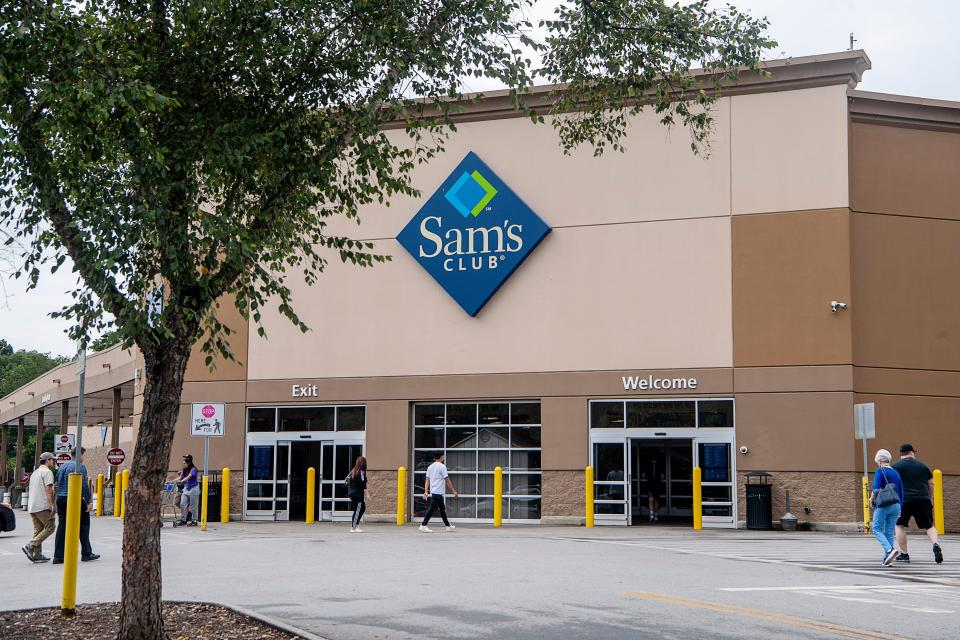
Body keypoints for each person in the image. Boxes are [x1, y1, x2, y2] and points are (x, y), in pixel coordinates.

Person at [892, 444, 944, 564]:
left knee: (899, 525)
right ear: (911, 452)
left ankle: (904, 554)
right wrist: (930, 498)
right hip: (923, 499)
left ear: (901, 454)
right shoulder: (922, 465)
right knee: (929, 526)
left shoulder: (895, 467)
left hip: (904, 500)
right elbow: (931, 483)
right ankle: (935, 544)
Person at [53, 448, 99, 564]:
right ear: (80, 455)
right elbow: (83, 485)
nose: (83, 458)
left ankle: (58, 556)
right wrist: (89, 501)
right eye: (83, 455)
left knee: (62, 526)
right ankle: (86, 553)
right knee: (84, 524)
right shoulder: (80, 466)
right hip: (73, 498)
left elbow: (57, 483)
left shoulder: (62, 466)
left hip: (61, 498)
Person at [870, 449, 904, 566]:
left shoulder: (880, 470)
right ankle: (887, 558)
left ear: (879, 460)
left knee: (876, 528)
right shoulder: (896, 472)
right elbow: (901, 491)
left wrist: (871, 500)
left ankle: (889, 550)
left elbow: (876, 488)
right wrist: (900, 506)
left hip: (884, 504)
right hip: (896, 505)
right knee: (889, 531)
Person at [23, 452, 57, 563]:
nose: (54, 462)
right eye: (52, 460)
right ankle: (31, 545)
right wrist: (52, 504)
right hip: (42, 505)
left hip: (32, 505)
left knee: (38, 530)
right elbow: (48, 489)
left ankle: (37, 555)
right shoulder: (47, 472)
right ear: (47, 460)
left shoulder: (35, 473)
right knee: (50, 527)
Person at [419, 452, 458, 533]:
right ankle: (423, 525)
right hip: (438, 492)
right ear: (440, 457)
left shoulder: (430, 467)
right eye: (443, 456)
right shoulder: (442, 466)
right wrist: (453, 490)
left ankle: (448, 526)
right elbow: (447, 480)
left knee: (442, 509)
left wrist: (426, 491)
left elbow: (427, 480)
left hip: (434, 492)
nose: (443, 458)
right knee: (432, 509)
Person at [175, 454, 200, 526]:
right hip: (186, 489)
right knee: (182, 504)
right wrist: (170, 481)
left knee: (193, 506)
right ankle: (183, 520)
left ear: (188, 462)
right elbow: (180, 477)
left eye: (184, 463)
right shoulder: (184, 469)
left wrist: (182, 481)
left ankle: (194, 521)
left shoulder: (193, 469)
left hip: (193, 489)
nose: (183, 464)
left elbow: (189, 477)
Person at [346, 455, 368, 532]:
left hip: (352, 492)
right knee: (358, 509)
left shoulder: (353, 471)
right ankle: (353, 528)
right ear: (363, 464)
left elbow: (347, 482)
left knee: (362, 508)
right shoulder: (361, 472)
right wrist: (367, 494)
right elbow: (363, 484)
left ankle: (356, 525)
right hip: (357, 493)